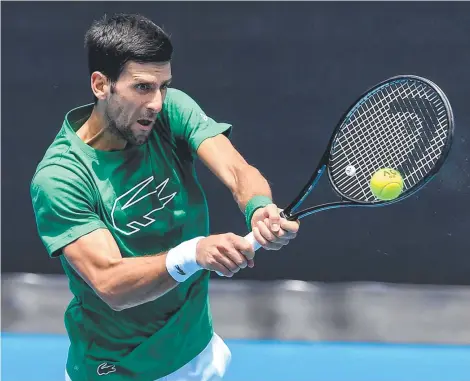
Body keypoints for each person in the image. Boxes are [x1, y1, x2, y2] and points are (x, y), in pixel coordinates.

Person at [30, 13, 300, 381]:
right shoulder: (60, 177)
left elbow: (238, 172)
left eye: (163, 86)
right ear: (100, 85)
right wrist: (194, 253)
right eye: (142, 87)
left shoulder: (169, 111)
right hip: (118, 370)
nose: (156, 102)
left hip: (197, 349)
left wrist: (259, 208)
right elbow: (111, 284)